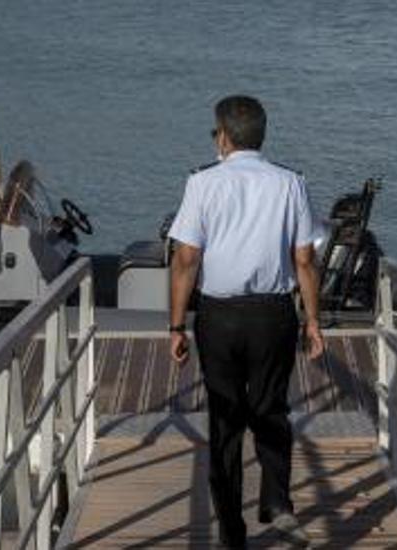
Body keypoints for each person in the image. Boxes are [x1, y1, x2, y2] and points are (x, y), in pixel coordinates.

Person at [167, 95, 324, 549]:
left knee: (225, 418)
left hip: (218, 316)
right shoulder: (291, 182)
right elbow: (305, 258)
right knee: (273, 407)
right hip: (274, 315)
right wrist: (312, 321)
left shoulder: (203, 183)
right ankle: (277, 503)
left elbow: (186, 258)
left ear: (223, 136)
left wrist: (176, 325)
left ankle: (231, 531)